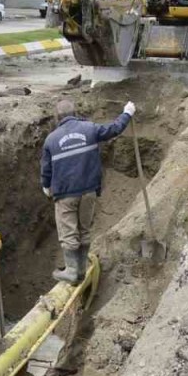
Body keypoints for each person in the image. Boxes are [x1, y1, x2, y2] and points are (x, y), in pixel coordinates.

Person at [41, 99, 135, 283]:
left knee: (68, 231)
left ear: (57, 117)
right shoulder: (90, 128)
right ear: (75, 113)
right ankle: (81, 269)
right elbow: (114, 129)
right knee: (84, 229)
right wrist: (127, 113)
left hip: (65, 194)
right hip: (88, 192)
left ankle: (71, 271)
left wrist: (46, 186)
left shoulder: (51, 140)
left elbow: (46, 170)